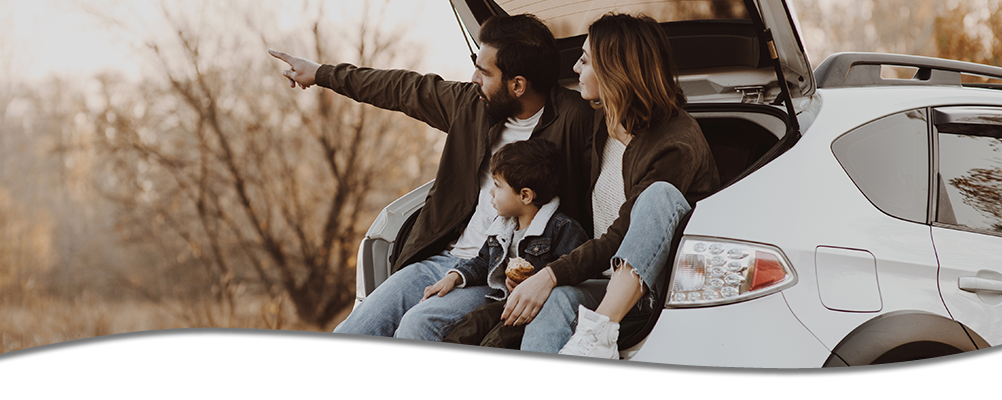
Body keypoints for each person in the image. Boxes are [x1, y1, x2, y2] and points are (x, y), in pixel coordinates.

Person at [268, 14, 595, 341]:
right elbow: (401, 88)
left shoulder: (575, 121)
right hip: (441, 258)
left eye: (484, 71)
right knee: (355, 327)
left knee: (418, 324)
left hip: (494, 273)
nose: (474, 78)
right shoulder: (472, 105)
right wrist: (322, 74)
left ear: (518, 85)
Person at [499, 13, 722, 358]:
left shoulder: (676, 143)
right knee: (553, 301)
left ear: (615, 70)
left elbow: (624, 232)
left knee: (657, 196)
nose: (574, 67)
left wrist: (550, 275)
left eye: (585, 60)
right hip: (603, 279)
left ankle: (598, 334)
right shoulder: (603, 124)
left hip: (652, 289)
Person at [419, 139, 588, 349]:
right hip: (505, 301)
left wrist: (535, 282)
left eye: (497, 186)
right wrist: (454, 277)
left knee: (497, 339)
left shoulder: (562, 228)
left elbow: (574, 274)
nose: (490, 192)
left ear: (525, 195)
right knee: (470, 326)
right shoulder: (502, 226)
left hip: (536, 308)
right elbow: (483, 262)